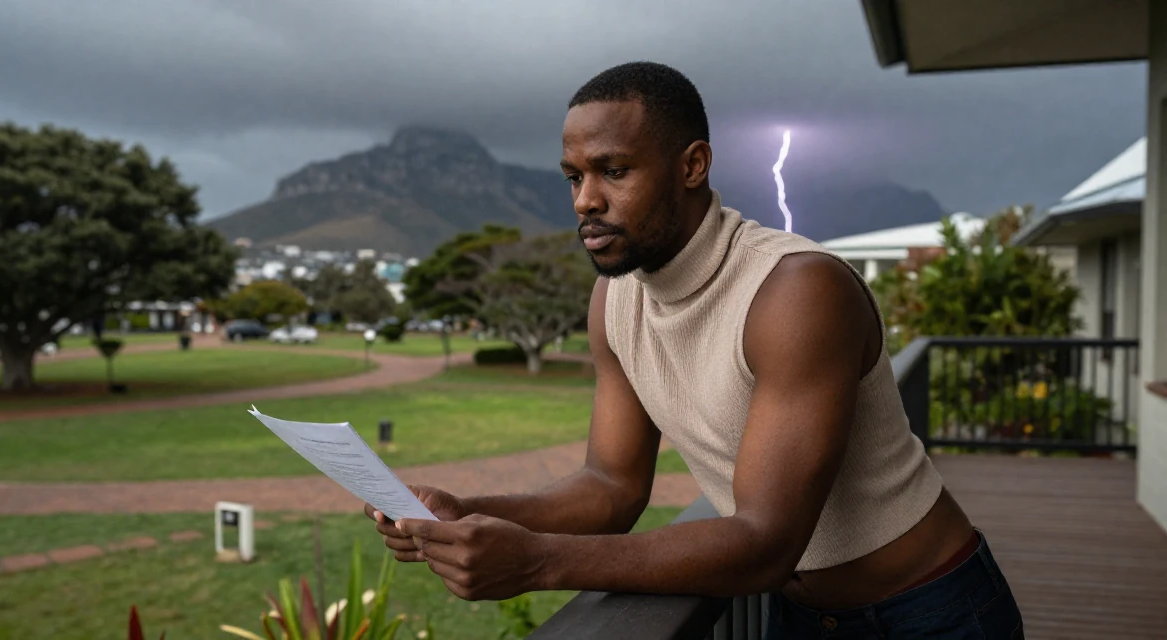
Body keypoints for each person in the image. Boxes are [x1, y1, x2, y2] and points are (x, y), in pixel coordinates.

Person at [366, 61, 1024, 639]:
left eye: (613, 171)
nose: (586, 200)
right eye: (573, 177)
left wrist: (539, 560)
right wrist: (466, 513)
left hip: (930, 609)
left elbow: (765, 541)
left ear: (692, 166)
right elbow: (611, 488)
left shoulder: (795, 291)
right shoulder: (615, 301)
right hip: (800, 616)